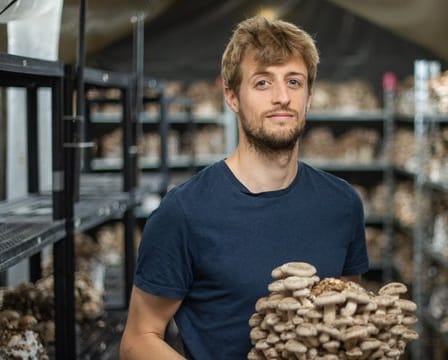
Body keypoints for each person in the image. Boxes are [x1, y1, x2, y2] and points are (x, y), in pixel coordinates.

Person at [119, 15, 369, 360]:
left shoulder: (343, 204)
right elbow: (138, 339)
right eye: (263, 83)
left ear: (309, 96)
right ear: (232, 96)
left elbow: (347, 315)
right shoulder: (185, 212)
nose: (282, 97)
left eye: (294, 82)